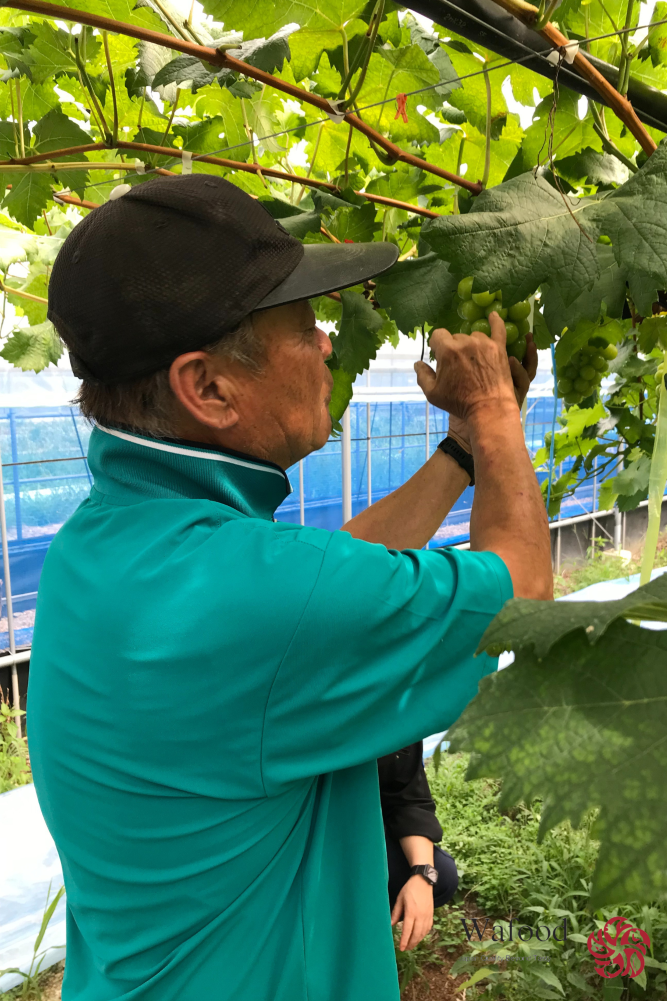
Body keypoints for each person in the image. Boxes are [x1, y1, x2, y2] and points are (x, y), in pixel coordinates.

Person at [28, 175, 552, 1001]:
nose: (326, 345)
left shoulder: (107, 544)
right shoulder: (257, 596)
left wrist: (458, 456)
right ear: (206, 387)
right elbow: (520, 590)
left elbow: (314, 582)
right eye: (301, 325)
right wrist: (492, 413)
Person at [379, 742, 458, 952]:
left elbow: (408, 797)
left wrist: (423, 874)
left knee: (442, 875)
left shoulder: (395, 716)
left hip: (357, 830)